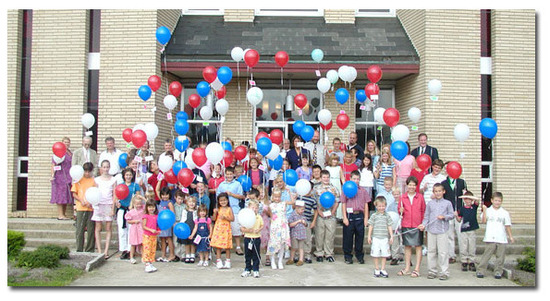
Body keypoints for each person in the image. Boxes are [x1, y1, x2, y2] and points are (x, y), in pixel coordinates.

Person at [418, 183, 455, 280]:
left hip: (442, 231)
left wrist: (444, 217)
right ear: (433, 192)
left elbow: (451, 215)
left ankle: (444, 272)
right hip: (431, 230)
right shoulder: (430, 203)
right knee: (431, 252)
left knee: (443, 252)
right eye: (436, 191)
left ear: (443, 192)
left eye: (439, 191)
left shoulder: (447, 203)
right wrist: (423, 225)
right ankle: (432, 271)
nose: (438, 193)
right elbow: (426, 217)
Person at [476, 192, 514, 279]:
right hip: (490, 237)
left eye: (499, 201)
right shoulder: (488, 210)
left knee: (500, 257)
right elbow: (483, 221)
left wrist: (510, 236)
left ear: (501, 201)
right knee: (487, 255)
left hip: (501, 238)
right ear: (492, 200)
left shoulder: (505, 213)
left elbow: (507, 225)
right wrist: (484, 211)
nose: (497, 202)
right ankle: (481, 270)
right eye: (495, 200)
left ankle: (498, 271)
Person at [397, 176, 426, 278]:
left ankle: (417, 269)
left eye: (414, 185)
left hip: (417, 225)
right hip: (406, 224)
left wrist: (423, 224)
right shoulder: (402, 197)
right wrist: (400, 210)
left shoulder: (420, 197)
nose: (412, 187)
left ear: (416, 186)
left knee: (418, 246)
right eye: (410, 185)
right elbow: (399, 211)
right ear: (407, 185)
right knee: (407, 246)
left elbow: (423, 211)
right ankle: (407, 268)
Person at [341, 170, 370, 264]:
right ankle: (348, 255)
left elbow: (366, 204)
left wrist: (366, 218)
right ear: (350, 179)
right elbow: (343, 203)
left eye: (358, 179)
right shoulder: (345, 189)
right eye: (354, 178)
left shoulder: (363, 191)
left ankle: (359, 255)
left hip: (359, 215)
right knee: (348, 237)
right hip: (349, 215)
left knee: (360, 237)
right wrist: (344, 217)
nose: (356, 180)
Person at [440, 170, 468, 264]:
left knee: (461, 235)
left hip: (459, 212)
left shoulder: (462, 182)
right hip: (448, 212)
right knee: (449, 235)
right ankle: (451, 255)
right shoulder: (443, 183)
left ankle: (464, 255)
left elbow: (465, 197)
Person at [216, 166, 245, 256]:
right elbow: (218, 196)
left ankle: (238, 247)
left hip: (234, 208)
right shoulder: (222, 185)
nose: (229, 176)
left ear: (234, 174)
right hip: (223, 209)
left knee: (236, 229)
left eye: (230, 174)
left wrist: (231, 194)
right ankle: (224, 246)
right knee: (224, 228)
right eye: (227, 174)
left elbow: (242, 196)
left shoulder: (237, 184)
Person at [313, 170, 340, 262]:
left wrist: (333, 212)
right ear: (320, 178)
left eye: (327, 177)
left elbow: (337, 201)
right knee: (319, 234)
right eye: (324, 177)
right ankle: (319, 252)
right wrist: (319, 211)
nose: (326, 179)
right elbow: (314, 201)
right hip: (320, 214)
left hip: (330, 215)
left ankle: (329, 253)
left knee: (330, 234)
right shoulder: (316, 189)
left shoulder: (334, 189)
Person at [115, 167, 141, 260]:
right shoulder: (121, 185)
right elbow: (117, 196)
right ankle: (123, 250)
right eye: (127, 175)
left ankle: (131, 250)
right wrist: (116, 203)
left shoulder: (135, 186)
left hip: (132, 210)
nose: (128, 176)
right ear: (124, 176)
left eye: (130, 175)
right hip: (122, 209)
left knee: (131, 230)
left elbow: (138, 197)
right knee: (122, 231)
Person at [92, 160, 117, 259]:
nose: (106, 169)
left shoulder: (113, 179)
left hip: (108, 204)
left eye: (107, 167)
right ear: (101, 168)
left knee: (108, 228)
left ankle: (106, 251)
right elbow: (94, 192)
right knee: (98, 228)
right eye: (104, 167)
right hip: (99, 204)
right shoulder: (97, 179)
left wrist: (113, 208)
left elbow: (114, 194)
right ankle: (99, 250)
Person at [70, 162, 95, 253]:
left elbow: (95, 193)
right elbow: (74, 193)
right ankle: (79, 248)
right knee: (79, 229)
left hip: (90, 207)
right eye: (85, 171)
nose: (87, 173)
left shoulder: (93, 181)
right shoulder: (78, 180)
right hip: (81, 207)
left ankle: (90, 249)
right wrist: (81, 200)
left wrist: (90, 202)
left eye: (89, 171)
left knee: (91, 229)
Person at [367, 196, 394, 278]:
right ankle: (377, 268)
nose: (381, 208)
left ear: (385, 206)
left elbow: (389, 226)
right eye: (379, 206)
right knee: (375, 254)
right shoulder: (374, 216)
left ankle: (383, 268)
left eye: (383, 206)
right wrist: (369, 236)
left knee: (384, 254)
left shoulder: (387, 216)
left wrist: (391, 236)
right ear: (376, 206)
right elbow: (371, 226)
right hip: (376, 237)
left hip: (384, 237)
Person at [265, 188, 291, 270]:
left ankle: (280, 261)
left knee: (282, 243)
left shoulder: (284, 203)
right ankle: (273, 260)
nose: (277, 198)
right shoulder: (271, 205)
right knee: (273, 243)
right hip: (274, 226)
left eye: (278, 197)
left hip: (283, 225)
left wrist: (290, 192)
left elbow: (293, 202)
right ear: (273, 196)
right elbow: (270, 215)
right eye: (275, 197)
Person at [456, 191, 481, 272]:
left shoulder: (474, 207)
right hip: (464, 230)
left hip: (472, 229)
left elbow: (478, 200)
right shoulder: (462, 209)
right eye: (466, 199)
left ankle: (471, 261)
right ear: (464, 200)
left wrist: (469, 196)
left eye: (470, 199)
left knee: (472, 246)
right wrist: (456, 215)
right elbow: (459, 220)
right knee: (464, 245)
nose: (468, 201)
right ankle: (464, 261)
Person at [50, 136, 73, 220]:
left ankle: (64, 214)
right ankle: (60, 215)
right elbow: (53, 165)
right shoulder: (58, 152)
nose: (66, 144)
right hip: (60, 177)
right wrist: (52, 175)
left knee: (66, 196)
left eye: (68, 142)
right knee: (60, 196)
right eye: (65, 142)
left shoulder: (70, 152)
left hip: (68, 177)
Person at [240, 200, 264, 278]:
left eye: (256, 208)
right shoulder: (246, 217)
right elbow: (242, 228)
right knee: (248, 254)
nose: (254, 209)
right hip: (248, 237)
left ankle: (256, 269)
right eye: (252, 207)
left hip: (256, 238)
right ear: (248, 208)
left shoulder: (259, 217)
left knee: (256, 254)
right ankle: (247, 269)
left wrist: (258, 230)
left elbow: (262, 225)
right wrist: (248, 230)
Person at [211, 192, 234, 269]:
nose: (223, 202)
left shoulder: (229, 209)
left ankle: (228, 261)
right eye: (221, 201)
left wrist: (226, 217)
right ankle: (219, 260)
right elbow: (213, 219)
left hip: (226, 229)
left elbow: (232, 219)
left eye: (224, 200)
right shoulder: (218, 209)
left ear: (227, 200)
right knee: (218, 246)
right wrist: (215, 213)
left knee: (227, 246)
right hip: (219, 229)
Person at [157, 187, 176, 262]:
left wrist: (172, 223)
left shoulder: (169, 203)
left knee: (168, 238)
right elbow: (157, 189)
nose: (165, 196)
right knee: (162, 239)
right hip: (161, 223)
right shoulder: (161, 201)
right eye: (163, 195)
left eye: (166, 195)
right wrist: (160, 180)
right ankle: (163, 255)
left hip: (167, 223)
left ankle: (172, 254)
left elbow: (172, 213)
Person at [125, 195, 145, 264]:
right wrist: (134, 221)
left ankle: (143, 256)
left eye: (140, 204)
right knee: (133, 243)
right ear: (134, 204)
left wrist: (142, 197)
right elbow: (128, 221)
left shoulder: (142, 209)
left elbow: (147, 202)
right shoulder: (131, 212)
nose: (138, 205)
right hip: (134, 228)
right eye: (137, 204)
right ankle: (131, 257)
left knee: (142, 243)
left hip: (141, 228)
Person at [301, 182, 318, 264]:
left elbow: (315, 211)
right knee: (299, 238)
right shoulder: (299, 197)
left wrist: (313, 221)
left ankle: (308, 255)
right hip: (298, 221)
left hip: (307, 221)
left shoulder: (313, 200)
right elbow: (294, 207)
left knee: (308, 238)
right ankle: (299, 254)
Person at [287, 201, 308, 267]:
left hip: (302, 234)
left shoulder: (303, 216)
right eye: (301, 209)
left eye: (303, 209)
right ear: (297, 208)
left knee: (301, 247)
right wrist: (298, 221)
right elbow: (290, 224)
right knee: (294, 247)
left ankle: (301, 259)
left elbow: (306, 224)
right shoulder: (292, 215)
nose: (303, 211)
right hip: (295, 234)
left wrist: (304, 222)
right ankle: (291, 258)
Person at [141, 200, 159, 273]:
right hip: (147, 235)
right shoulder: (145, 216)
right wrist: (151, 230)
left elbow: (157, 225)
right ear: (147, 207)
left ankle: (151, 263)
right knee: (147, 249)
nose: (151, 209)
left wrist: (158, 230)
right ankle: (147, 264)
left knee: (152, 249)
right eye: (150, 207)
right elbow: (144, 226)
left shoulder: (156, 216)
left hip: (153, 236)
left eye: (153, 207)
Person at [179, 195, 198, 263]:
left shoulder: (196, 210)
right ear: (187, 203)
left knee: (192, 243)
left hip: (193, 227)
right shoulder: (185, 210)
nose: (191, 203)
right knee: (186, 243)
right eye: (190, 202)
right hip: (186, 227)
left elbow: (196, 220)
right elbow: (182, 219)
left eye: (193, 202)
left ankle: (192, 255)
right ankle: (187, 255)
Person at [172, 190, 187, 262]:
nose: (180, 200)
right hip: (176, 223)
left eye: (181, 199)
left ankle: (183, 255)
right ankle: (177, 254)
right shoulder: (173, 206)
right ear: (175, 198)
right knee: (176, 240)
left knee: (183, 240)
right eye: (179, 199)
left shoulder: (185, 206)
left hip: (183, 224)